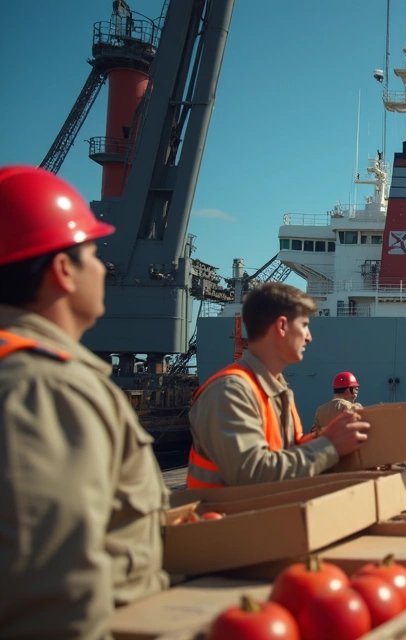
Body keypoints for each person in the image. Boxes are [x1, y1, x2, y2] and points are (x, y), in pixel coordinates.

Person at [0, 165, 167, 636]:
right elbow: (54, 598)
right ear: (63, 271)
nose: (105, 268)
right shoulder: (45, 389)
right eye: (94, 253)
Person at [187, 283, 370, 488]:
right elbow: (252, 474)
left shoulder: (278, 390)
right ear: (282, 326)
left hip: (259, 514)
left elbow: (287, 456)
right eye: (304, 325)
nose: (309, 337)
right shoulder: (230, 392)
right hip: (227, 518)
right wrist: (330, 445)